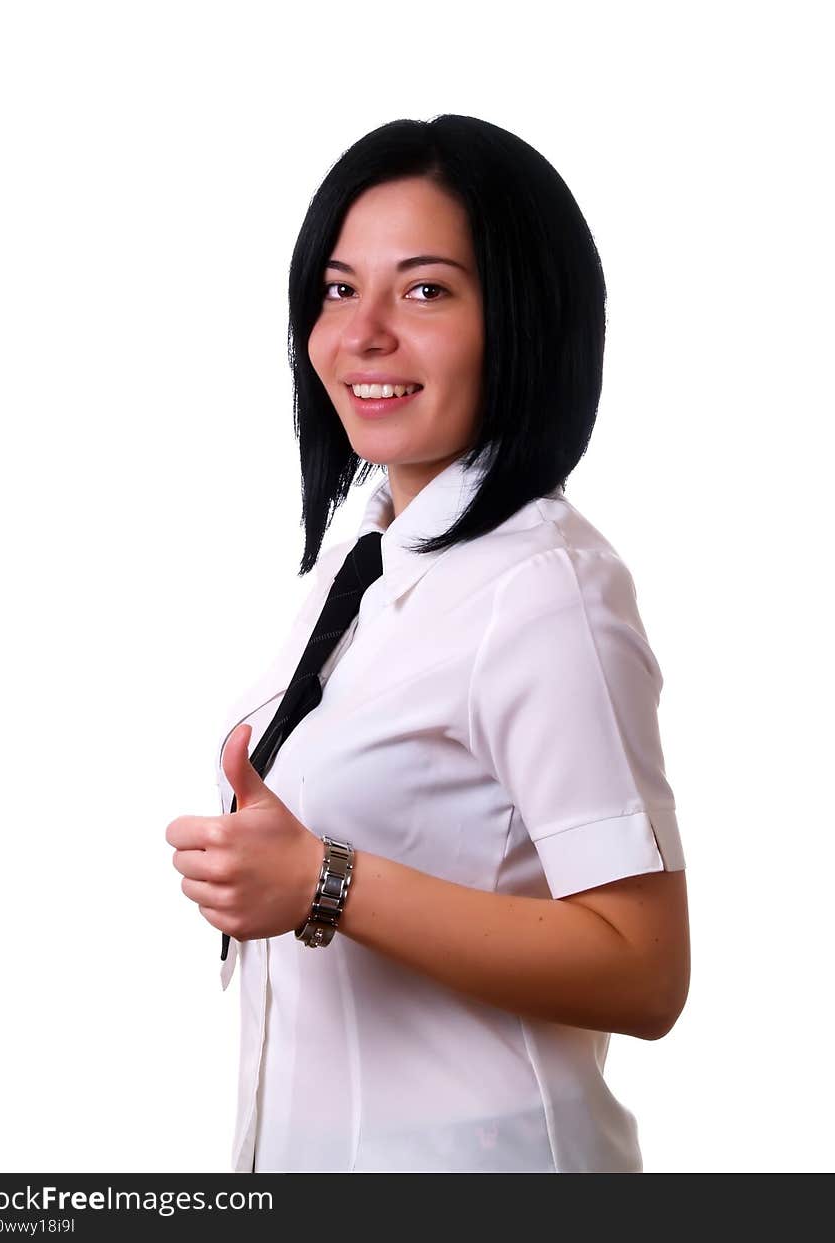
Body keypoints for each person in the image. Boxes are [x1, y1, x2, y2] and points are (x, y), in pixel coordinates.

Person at [166, 114, 690, 1174]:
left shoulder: (547, 591)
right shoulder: (364, 549)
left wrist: (323, 882)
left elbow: (644, 970)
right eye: (337, 288)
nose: (360, 333)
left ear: (523, 319)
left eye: (424, 290)